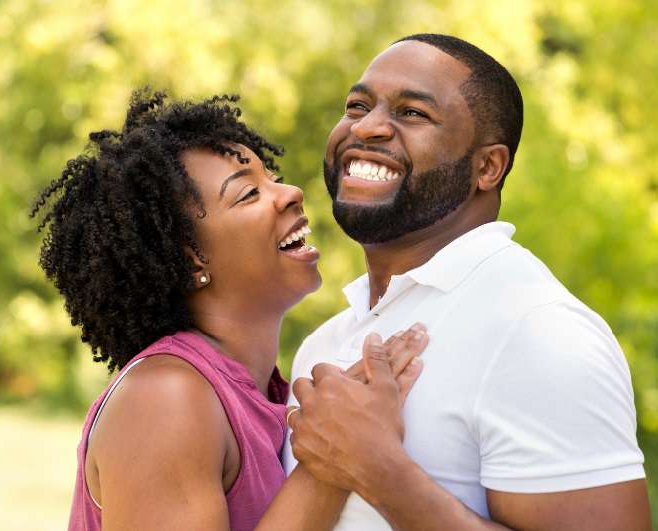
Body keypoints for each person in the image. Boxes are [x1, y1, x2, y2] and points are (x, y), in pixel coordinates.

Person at [283, 34, 651, 530]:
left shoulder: (536, 329)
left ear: (487, 167)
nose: (367, 127)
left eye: (412, 113)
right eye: (357, 106)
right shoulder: (323, 342)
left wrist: (381, 473)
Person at [32, 90, 428, 530]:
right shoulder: (165, 397)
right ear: (191, 259)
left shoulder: (264, 390)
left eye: (273, 178)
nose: (291, 193)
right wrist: (333, 458)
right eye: (248, 194)